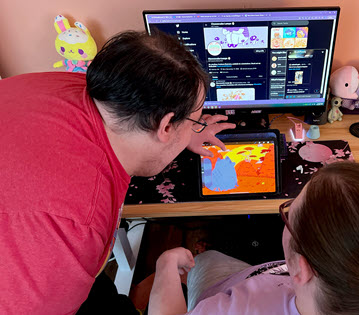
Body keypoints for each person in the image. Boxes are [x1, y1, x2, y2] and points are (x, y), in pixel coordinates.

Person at [0, 30, 234, 314]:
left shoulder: (83, 86)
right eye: (194, 120)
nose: (195, 127)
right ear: (166, 126)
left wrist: (185, 135)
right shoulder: (74, 230)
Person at [149, 162, 359, 315]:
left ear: (302, 267)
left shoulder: (240, 307)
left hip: (233, 281)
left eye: (289, 213)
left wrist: (166, 265)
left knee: (206, 259)